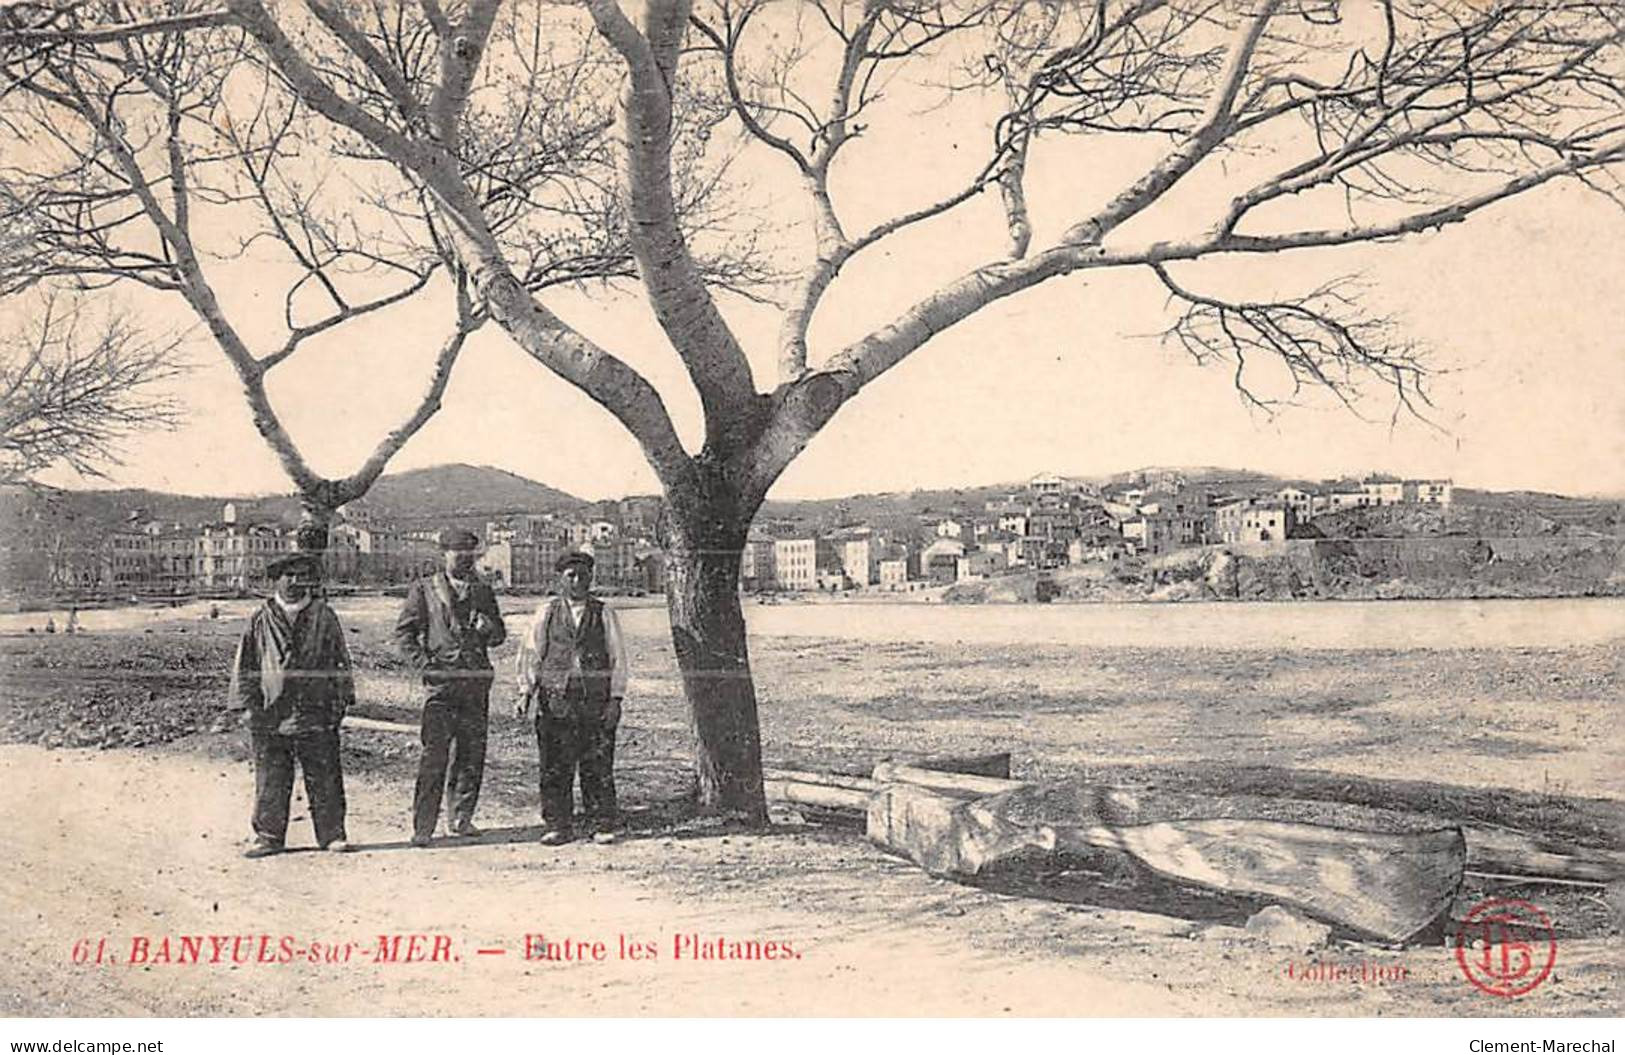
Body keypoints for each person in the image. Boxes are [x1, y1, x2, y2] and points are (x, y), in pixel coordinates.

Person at [227, 551, 354, 859]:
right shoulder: (260, 618)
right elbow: (246, 664)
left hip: (316, 709)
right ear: (278, 580)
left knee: (325, 774)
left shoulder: (324, 616)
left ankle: (332, 834)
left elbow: (340, 661)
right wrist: (246, 706)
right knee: (271, 775)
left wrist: (341, 701)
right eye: (290, 576)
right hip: (271, 711)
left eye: (303, 576)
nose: (298, 582)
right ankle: (269, 836)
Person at [394, 529, 506, 846]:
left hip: (475, 684)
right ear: (444, 554)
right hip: (440, 688)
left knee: (471, 754)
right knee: (434, 756)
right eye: (458, 553)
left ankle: (461, 819)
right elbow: (404, 635)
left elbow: (499, 636)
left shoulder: (483, 591)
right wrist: (424, 664)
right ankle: (423, 826)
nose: (464, 558)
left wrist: (490, 629)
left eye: (470, 553)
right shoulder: (424, 589)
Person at [515, 551, 628, 844]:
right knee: (554, 764)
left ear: (591, 578)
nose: (578, 581)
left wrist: (616, 699)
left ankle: (601, 822)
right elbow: (531, 653)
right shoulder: (546, 612)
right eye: (571, 576)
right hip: (556, 699)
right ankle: (557, 824)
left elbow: (618, 658)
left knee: (597, 763)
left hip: (594, 699)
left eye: (584, 576)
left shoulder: (604, 613)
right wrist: (525, 691)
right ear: (560, 578)